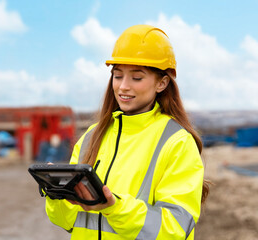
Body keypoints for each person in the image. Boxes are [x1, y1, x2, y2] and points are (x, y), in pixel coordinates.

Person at [45, 24, 209, 239]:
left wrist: (115, 208)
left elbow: (175, 229)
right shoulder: (91, 137)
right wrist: (57, 195)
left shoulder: (177, 142)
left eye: (136, 77)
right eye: (118, 75)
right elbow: (67, 221)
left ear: (162, 83)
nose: (123, 86)